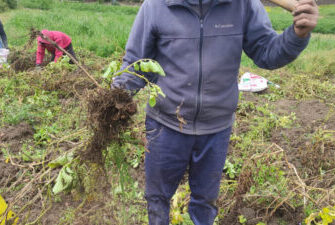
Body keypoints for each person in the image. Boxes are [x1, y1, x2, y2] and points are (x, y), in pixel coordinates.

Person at [112, 0, 318, 224]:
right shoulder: (157, 6)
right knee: (157, 197)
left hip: (216, 128)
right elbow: (136, 64)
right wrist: (114, 98)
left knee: (205, 201)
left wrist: (296, 35)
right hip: (165, 125)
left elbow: (267, 53)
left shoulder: (243, 5)